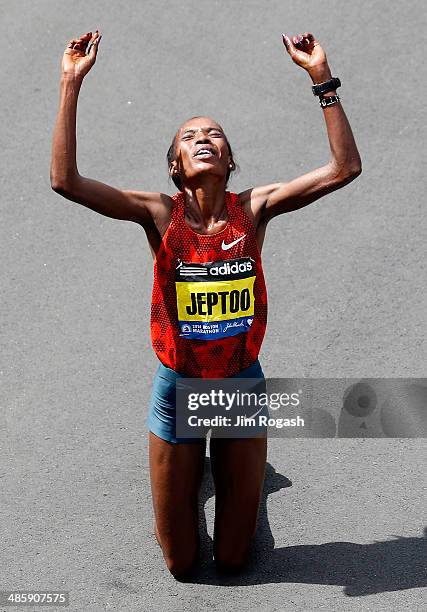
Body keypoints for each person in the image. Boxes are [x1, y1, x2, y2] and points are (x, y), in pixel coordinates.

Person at [50, 29, 362, 579]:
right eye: (189, 136)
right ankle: (195, 474)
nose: (203, 139)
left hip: (240, 384)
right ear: (175, 164)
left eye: (215, 135)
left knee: (235, 558)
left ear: (229, 159)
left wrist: (322, 78)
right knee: (182, 562)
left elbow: (344, 169)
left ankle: (243, 480)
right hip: (179, 388)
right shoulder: (158, 214)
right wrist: (70, 83)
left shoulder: (255, 208)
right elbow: (66, 181)